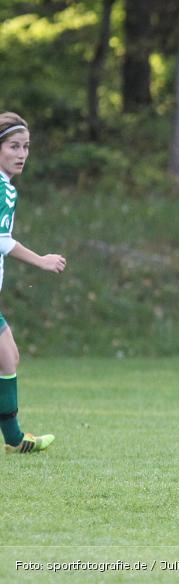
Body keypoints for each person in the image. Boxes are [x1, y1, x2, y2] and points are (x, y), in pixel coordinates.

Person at [0, 112, 67, 454]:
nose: (21, 153)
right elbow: (1, 240)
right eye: (13, 146)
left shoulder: (6, 189)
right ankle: (14, 438)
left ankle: (14, 439)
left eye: (25, 146)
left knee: (9, 356)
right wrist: (41, 259)